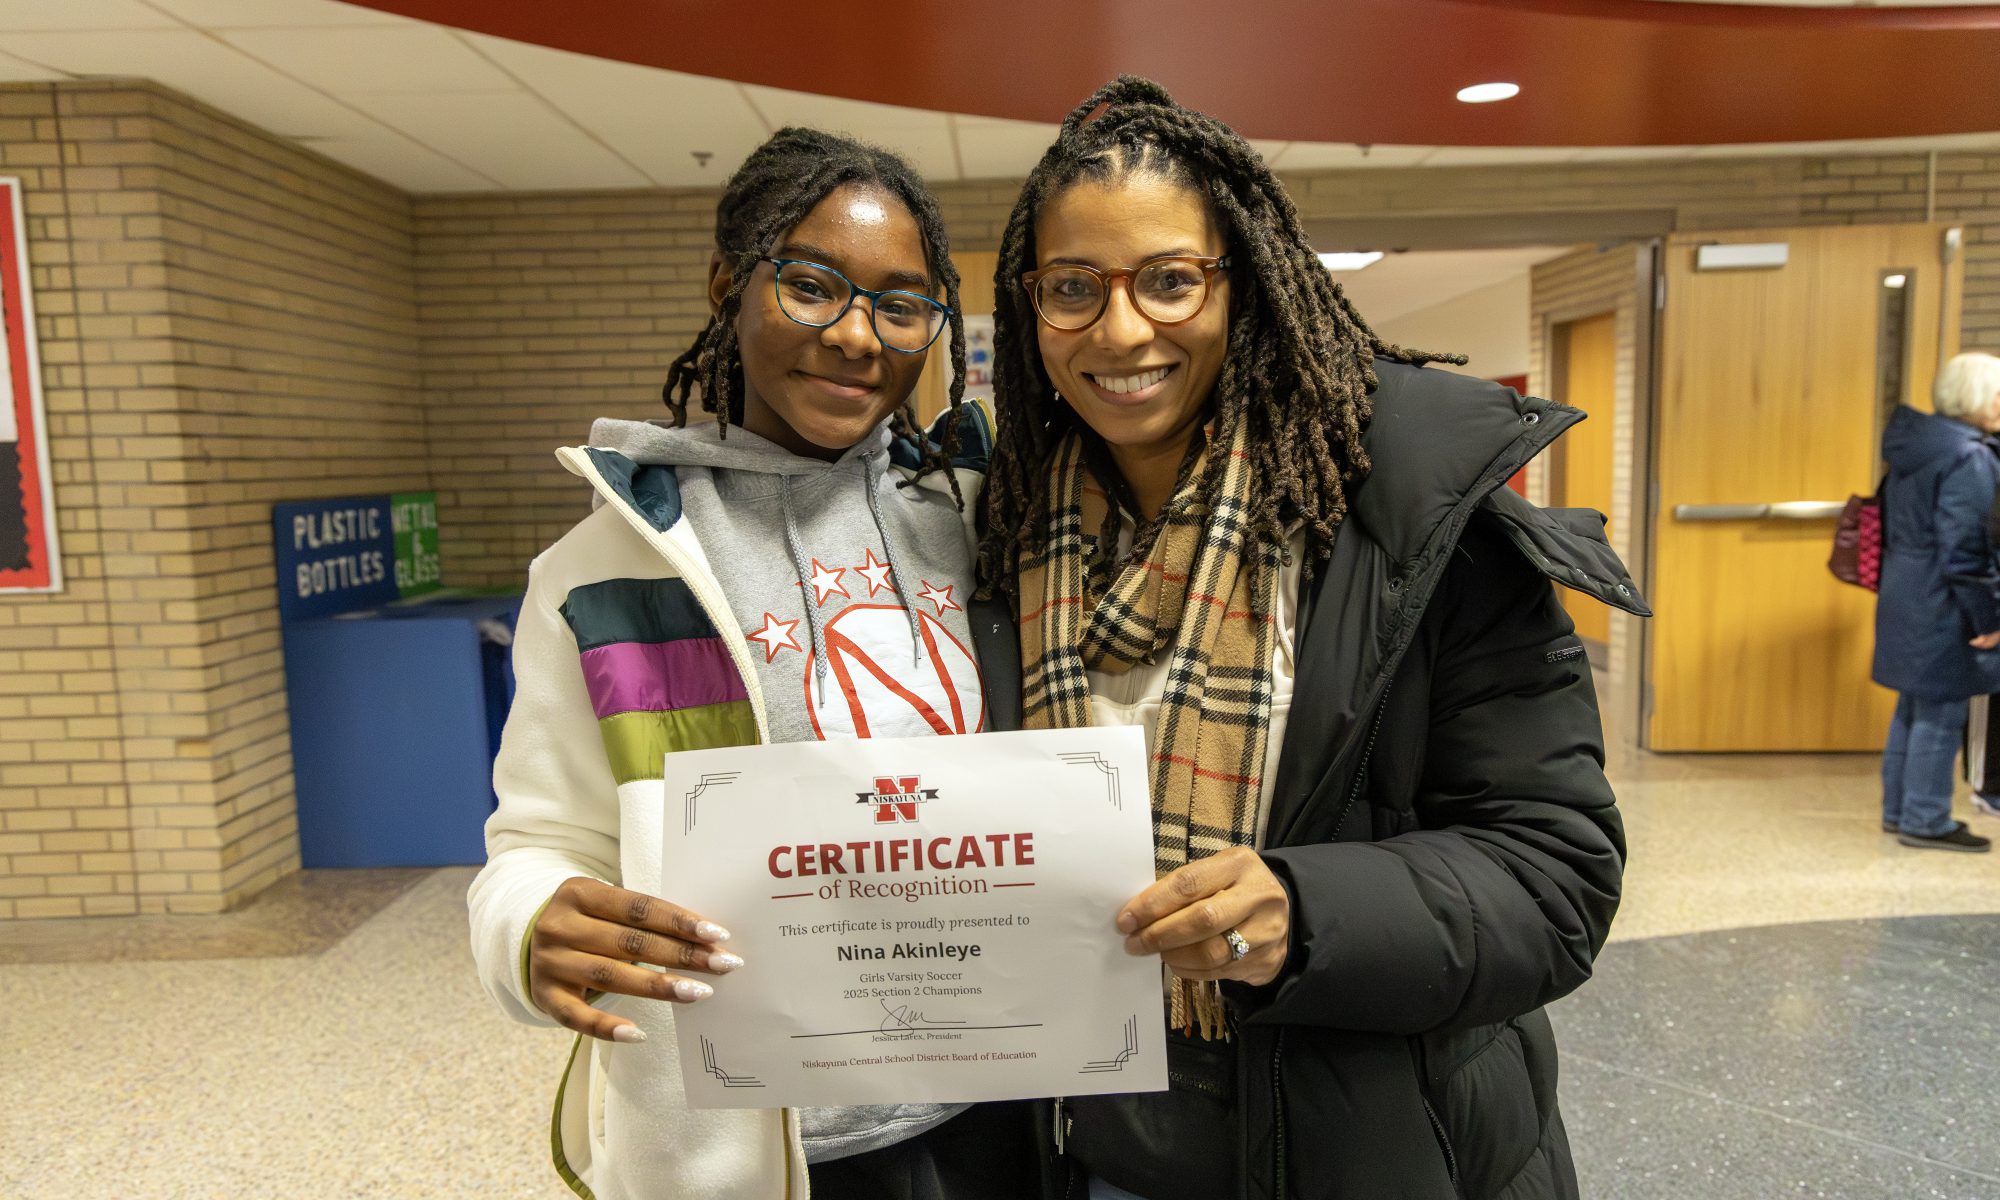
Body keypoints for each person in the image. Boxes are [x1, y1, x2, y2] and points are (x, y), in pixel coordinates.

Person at [974, 78, 1645, 1200]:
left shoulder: (1413, 521)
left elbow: (1555, 878)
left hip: (1362, 1154)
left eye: (1170, 281)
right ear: (1028, 305)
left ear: (1244, 282)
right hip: (1087, 1152)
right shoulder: (1000, 535)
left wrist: (1307, 912)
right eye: (1073, 287)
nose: (1121, 328)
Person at [466, 128, 1036, 1200]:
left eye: (900, 304)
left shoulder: (977, 525)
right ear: (731, 282)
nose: (857, 337)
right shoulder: (602, 574)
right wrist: (529, 925)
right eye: (812, 287)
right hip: (753, 1134)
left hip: (992, 1105)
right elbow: (538, 840)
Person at [1873, 351, 2000, 852]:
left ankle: (1898, 810)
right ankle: (1925, 819)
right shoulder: (1968, 456)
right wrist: (1988, 617)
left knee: (1913, 704)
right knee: (1942, 709)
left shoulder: (1918, 444)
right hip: (1945, 596)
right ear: (1974, 398)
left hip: (1907, 586)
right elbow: (1966, 548)